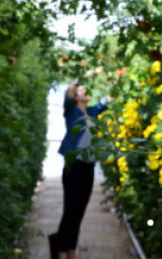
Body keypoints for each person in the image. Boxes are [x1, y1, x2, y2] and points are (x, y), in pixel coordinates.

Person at [48, 82, 112, 259]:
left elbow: (105, 101)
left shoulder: (92, 112)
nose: (86, 90)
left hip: (88, 168)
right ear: (76, 97)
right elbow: (68, 95)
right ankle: (61, 253)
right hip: (74, 167)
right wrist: (75, 83)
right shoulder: (71, 111)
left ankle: (71, 251)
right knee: (70, 211)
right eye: (82, 89)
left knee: (79, 213)